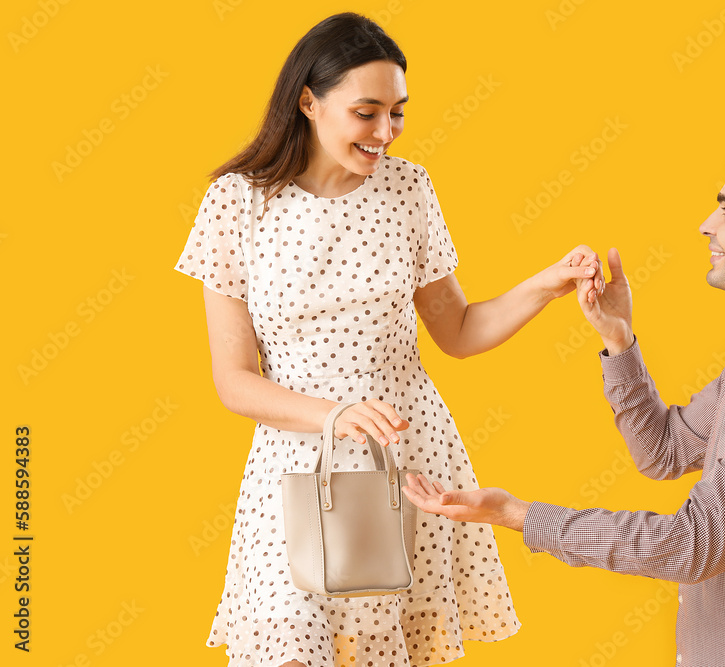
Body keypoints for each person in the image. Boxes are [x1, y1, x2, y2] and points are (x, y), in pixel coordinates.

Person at [174, 13, 602, 667]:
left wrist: (550, 284)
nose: (386, 133)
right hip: (296, 467)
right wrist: (335, 416)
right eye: (367, 112)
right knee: (288, 649)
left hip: (402, 460)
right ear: (308, 100)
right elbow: (234, 380)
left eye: (397, 112)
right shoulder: (238, 202)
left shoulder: (408, 189)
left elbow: (457, 331)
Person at [404, 137, 725, 666]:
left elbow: (694, 544)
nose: (707, 224)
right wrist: (619, 341)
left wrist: (520, 515)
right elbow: (664, 451)